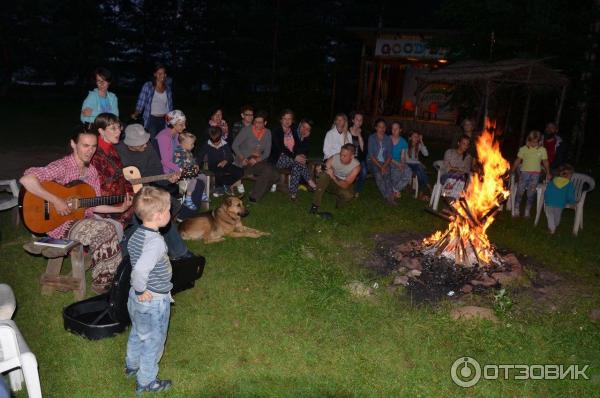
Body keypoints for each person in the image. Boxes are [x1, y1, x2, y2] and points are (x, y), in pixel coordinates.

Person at [20, 127, 132, 293]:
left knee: (112, 227)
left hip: (81, 220)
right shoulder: (63, 166)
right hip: (59, 224)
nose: (90, 151)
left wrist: (121, 207)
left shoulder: (92, 171)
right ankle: (105, 285)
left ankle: (110, 279)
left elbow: (92, 205)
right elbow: (26, 179)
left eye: (93, 146)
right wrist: (56, 200)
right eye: (85, 145)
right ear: (73, 144)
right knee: (104, 229)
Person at [116, 124, 196, 259]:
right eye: (141, 144)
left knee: (164, 207)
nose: (146, 145)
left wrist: (169, 179)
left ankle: (179, 251)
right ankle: (125, 254)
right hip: (122, 195)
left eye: (146, 142)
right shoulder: (118, 151)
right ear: (131, 144)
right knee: (145, 214)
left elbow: (157, 173)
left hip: (144, 190)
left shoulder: (148, 148)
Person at [125, 186, 174, 394]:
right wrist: (140, 290)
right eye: (169, 210)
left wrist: (136, 292)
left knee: (138, 332)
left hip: (137, 300)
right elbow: (140, 270)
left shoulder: (138, 234)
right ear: (158, 215)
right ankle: (146, 381)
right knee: (153, 341)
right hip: (152, 300)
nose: (171, 214)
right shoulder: (155, 243)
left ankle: (131, 365)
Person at [91, 113, 135, 238]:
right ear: (101, 131)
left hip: (119, 198)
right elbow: (99, 189)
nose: (119, 131)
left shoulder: (112, 149)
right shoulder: (94, 153)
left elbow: (122, 177)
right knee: (145, 211)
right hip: (104, 205)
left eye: (119, 127)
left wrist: (130, 194)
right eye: (113, 128)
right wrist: (124, 202)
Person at [232, 111, 279, 202]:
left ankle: (255, 193)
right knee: (269, 171)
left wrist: (257, 159)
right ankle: (254, 197)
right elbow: (234, 145)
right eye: (255, 122)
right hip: (244, 161)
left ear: (265, 123)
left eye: (260, 122)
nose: (257, 124)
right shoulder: (247, 130)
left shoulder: (268, 133)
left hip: (258, 161)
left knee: (275, 175)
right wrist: (242, 157)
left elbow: (267, 152)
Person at [269, 109, 317, 200]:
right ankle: (311, 182)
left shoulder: (293, 130)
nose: (287, 121)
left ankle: (293, 195)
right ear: (281, 120)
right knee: (297, 162)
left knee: (297, 165)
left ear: (292, 120)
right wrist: (296, 157)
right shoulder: (276, 131)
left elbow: (298, 148)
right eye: (285, 118)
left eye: (289, 119)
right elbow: (281, 148)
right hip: (278, 159)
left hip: (291, 160)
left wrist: (305, 139)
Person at [309, 143, 360, 216]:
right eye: (341, 154)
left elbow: (345, 185)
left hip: (342, 183)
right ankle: (315, 205)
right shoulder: (334, 158)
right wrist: (318, 171)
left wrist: (333, 176)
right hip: (331, 181)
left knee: (348, 195)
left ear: (352, 156)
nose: (341, 157)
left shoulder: (356, 167)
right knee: (324, 175)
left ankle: (339, 203)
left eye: (344, 156)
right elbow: (324, 170)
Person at [511, 130, 552, 218]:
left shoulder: (542, 150)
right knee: (520, 191)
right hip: (524, 173)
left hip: (535, 174)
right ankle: (516, 208)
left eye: (535, 142)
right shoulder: (523, 149)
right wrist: (513, 170)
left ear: (539, 141)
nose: (533, 144)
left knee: (531, 193)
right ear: (528, 140)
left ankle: (527, 210)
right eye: (531, 141)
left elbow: (545, 161)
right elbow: (518, 160)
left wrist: (548, 172)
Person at [196, 126, 244, 196]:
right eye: (214, 142)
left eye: (217, 142)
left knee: (240, 172)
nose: (216, 144)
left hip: (226, 164)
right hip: (214, 166)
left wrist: (226, 160)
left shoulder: (225, 144)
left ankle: (225, 185)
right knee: (219, 174)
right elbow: (200, 156)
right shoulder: (206, 144)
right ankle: (222, 187)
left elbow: (231, 157)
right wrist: (197, 163)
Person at [132, 64, 173, 139]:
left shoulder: (168, 89)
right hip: (151, 119)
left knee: (162, 141)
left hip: (164, 120)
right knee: (153, 141)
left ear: (165, 74)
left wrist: (171, 117)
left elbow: (169, 106)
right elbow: (141, 101)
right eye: (159, 73)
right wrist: (136, 113)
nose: (161, 75)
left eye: (163, 73)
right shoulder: (148, 86)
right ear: (155, 74)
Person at [173, 132, 205, 210]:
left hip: (190, 171)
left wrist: (195, 165)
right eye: (192, 144)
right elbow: (178, 164)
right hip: (181, 173)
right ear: (184, 143)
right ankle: (188, 198)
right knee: (193, 179)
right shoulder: (178, 152)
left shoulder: (188, 151)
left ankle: (202, 193)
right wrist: (191, 168)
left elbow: (193, 161)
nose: (193, 145)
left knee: (203, 177)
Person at [367, 118, 396, 205]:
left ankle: (391, 195)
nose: (382, 129)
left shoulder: (388, 139)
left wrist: (384, 166)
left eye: (383, 127)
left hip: (385, 162)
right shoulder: (372, 138)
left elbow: (390, 156)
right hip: (373, 162)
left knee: (387, 173)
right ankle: (388, 197)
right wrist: (381, 167)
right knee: (379, 174)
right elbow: (371, 156)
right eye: (379, 127)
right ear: (376, 128)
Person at [543, 164, 576, 234]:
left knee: (550, 215)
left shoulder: (552, 181)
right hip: (560, 203)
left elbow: (547, 191)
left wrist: (546, 198)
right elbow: (570, 195)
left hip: (550, 202)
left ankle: (553, 227)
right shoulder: (569, 184)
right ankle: (553, 227)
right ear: (569, 175)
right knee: (557, 216)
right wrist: (572, 203)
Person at [389, 121, 412, 198]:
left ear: (400, 130)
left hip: (398, 162)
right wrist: (398, 165)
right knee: (396, 172)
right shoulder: (387, 139)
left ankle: (395, 189)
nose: (394, 130)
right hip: (388, 161)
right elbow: (386, 155)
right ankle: (394, 191)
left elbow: (402, 156)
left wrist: (402, 164)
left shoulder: (403, 142)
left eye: (396, 128)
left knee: (408, 171)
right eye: (393, 128)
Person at [406, 130, 430, 200]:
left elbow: (426, 154)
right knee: (420, 168)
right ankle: (428, 186)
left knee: (420, 171)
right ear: (410, 138)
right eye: (414, 137)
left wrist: (421, 141)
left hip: (416, 166)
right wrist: (419, 163)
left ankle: (421, 193)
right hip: (407, 165)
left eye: (417, 137)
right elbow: (407, 160)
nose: (416, 138)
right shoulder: (406, 145)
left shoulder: (418, 146)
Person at [349, 111, 368, 196]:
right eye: (357, 119)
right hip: (349, 157)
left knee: (364, 171)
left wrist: (359, 134)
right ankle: (347, 187)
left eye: (361, 120)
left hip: (359, 158)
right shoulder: (347, 131)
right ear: (353, 120)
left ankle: (357, 190)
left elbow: (363, 148)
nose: (359, 121)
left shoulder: (363, 133)